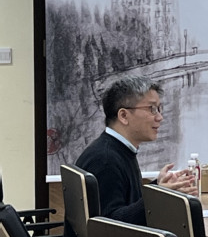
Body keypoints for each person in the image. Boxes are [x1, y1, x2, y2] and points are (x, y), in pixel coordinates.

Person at [74, 75, 197, 226]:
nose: (160, 117)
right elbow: (110, 225)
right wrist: (160, 196)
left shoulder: (119, 149)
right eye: (152, 109)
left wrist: (159, 185)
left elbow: (129, 203)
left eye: (159, 109)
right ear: (123, 115)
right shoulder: (105, 160)